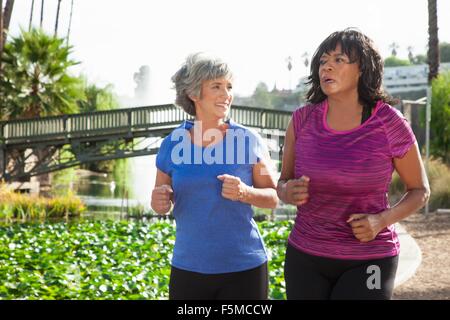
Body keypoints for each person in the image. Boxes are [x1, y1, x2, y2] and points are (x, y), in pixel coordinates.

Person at [277, 28, 430, 300]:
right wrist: (287, 192)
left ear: (362, 69)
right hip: (306, 255)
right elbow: (283, 182)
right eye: (323, 61)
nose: (328, 66)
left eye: (339, 60)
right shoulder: (302, 120)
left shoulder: (389, 123)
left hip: (369, 257)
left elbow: (420, 190)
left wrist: (382, 220)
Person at [151, 53, 278, 300]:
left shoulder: (250, 141)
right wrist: (159, 202)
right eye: (216, 86)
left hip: (244, 269)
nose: (226, 94)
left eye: (229, 87)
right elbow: (159, 203)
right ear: (193, 93)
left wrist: (245, 193)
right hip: (188, 268)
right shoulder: (171, 144)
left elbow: (273, 197)